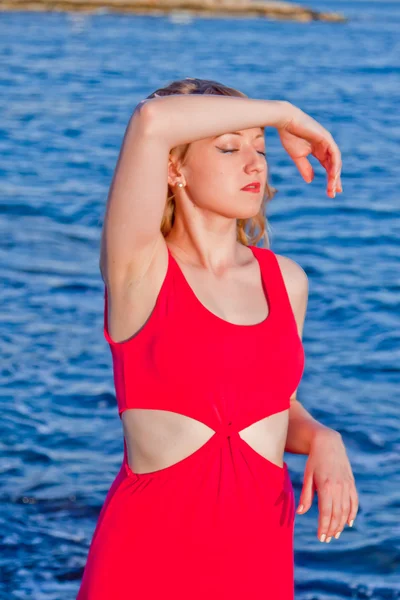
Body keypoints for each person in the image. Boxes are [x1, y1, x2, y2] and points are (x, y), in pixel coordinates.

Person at [76, 77, 358, 599]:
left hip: (259, 561)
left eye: (260, 146)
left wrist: (322, 437)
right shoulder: (140, 271)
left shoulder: (286, 282)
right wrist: (284, 114)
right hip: (145, 562)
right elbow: (151, 120)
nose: (255, 163)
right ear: (172, 168)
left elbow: (274, 406)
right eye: (230, 147)